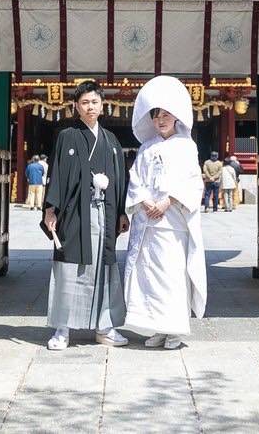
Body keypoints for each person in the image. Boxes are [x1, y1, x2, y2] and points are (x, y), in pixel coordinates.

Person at [42, 80, 129, 351]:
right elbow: (57, 173)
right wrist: (51, 209)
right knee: (69, 267)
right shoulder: (67, 136)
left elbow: (121, 178)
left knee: (104, 266)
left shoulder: (111, 140)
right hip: (74, 214)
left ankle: (105, 327)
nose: (90, 107)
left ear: (103, 105)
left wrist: (122, 211)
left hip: (105, 212)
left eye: (94, 102)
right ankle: (62, 328)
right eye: (84, 103)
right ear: (76, 107)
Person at [124, 76, 207, 350]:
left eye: (166, 115)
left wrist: (168, 201)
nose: (160, 120)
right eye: (156, 115)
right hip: (148, 221)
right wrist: (144, 200)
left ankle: (175, 330)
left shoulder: (187, 146)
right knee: (149, 275)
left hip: (173, 221)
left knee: (172, 275)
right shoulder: (146, 147)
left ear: (176, 116)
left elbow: (193, 181)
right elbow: (135, 178)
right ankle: (157, 328)